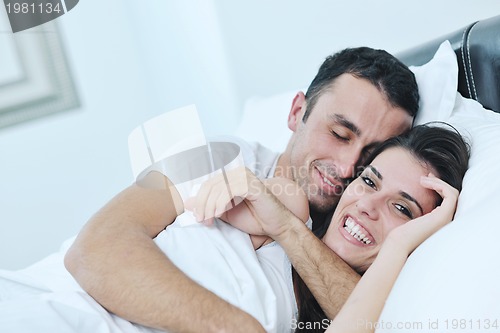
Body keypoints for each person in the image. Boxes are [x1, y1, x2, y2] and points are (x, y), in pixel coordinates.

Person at [64, 46, 420, 333]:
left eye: (371, 156)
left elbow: (376, 323)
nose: (346, 168)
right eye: (339, 135)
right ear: (298, 112)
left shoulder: (348, 241)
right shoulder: (221, 156)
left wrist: (288, 227)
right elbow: (96, 247)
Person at [187, 123, 469, 332]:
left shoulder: (390, 313)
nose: (367, 206)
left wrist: (398, 246)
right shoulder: (289, 207)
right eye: (369, 182)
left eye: (402, 208)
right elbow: (184, 201)